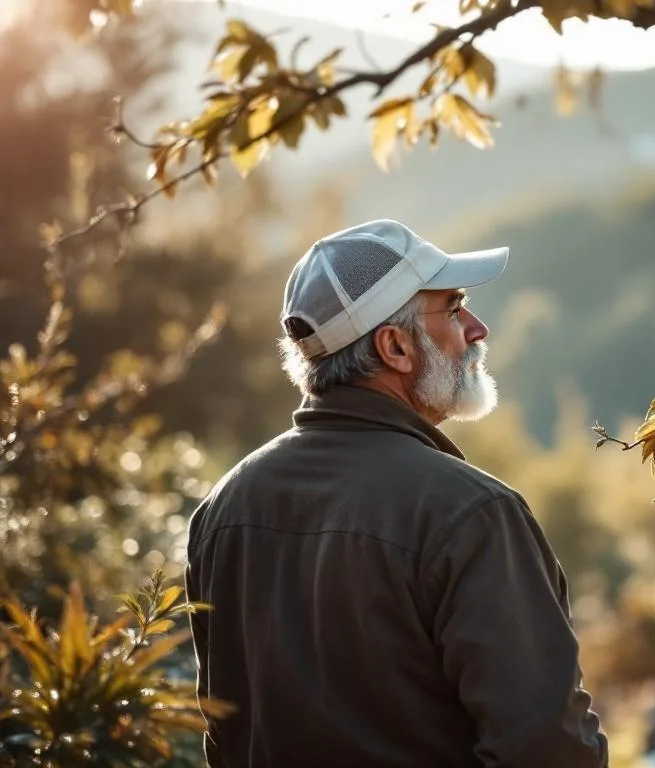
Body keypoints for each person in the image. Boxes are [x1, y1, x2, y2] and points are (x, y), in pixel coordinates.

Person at [185, 219, 609, 767]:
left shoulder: (223, 509)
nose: (477, 329)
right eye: (454, 309)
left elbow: (224, 738)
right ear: (396, 348)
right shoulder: (471, 513)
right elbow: (549, 753)